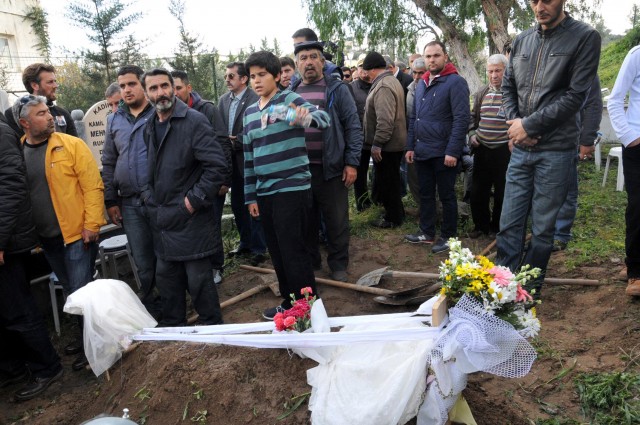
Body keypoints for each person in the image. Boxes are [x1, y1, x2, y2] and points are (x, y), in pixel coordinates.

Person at [497, 0, 601, 296]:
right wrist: (516, 124)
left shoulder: (585, 37)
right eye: (533, 1)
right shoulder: (522, 40)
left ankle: (527, 293)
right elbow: (508, 88)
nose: (539, 6)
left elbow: (576, 96)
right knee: (509, 223)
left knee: (543, 230)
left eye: (547, 0)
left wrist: (530, 126)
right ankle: (501, 292)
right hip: (522, 148)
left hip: (556, 149)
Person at [14, 95, 105, 372]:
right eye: (41, 114)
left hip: (77, 234)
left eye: (48, 111)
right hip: (47, 239)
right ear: (25, 123)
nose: (50, 117)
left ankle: (96, 346)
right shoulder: (17, 153)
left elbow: (93, 185)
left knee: (80, 290)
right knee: (70, 292)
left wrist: (92, 224)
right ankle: (86, 338)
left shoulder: (71, 145)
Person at [242, 51, 330, 320]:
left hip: (292, 189)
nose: (257, 81)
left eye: (262, 75)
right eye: (252, 76)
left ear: (277, 76)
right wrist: (250, 196)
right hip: (265, 192)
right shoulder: (249, 113)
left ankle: (307, 306)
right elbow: (248, 157)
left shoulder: (288, 100)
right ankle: (289, 301)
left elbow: (323, 119)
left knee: (294, 250)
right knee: (277, 251)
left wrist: (302, 117)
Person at [141, 68, 226, 327]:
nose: (161, 93)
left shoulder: (194, 121)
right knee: (166, 278)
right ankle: (174, 329)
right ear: (147, 93)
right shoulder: (149, 125)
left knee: (198, 280)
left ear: (173, 87)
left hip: (191, 219)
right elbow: (151, 168)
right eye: (154, 88)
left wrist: (191, 202)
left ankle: (212, 330)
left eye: (165, 86)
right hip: (162, 219)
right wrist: (148, 197)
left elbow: (217, 167)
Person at [0, 112, 64, 402]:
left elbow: (12, 189)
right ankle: (13, 368)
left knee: (18, 309)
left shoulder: (2, 134)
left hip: (8, 242)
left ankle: (47, 368)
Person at [290, 40, 363, 282]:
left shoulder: (337, 89)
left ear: (322, 62)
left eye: (313, 57)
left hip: (331, 168)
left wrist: (351, 163)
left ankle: (338, 264)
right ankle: (312, 262)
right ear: (297, 64)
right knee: (306, 221)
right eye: (303, 58)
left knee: (336, 220)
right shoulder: (291, 93)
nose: (308, 62)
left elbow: (353, 126)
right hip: (300, 170)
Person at [101, 65, 161, 318]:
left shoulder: (159, 113)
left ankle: (176, 303)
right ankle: (153, 309)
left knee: (167, 255)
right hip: (129, 203)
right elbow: (108, 161)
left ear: (143, 85)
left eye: (131, 84)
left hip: (159, 199)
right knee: (143, 259)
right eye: (122, 85)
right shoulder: (115, 120)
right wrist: (110, 200)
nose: (126, 90)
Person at [405, 41, 470, 253]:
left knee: (447, 196)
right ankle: (427, 232)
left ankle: (449, 237)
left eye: (436, 55)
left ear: (445, 57)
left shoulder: (456, 82)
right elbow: (415, 117)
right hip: (422, 151)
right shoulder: (422, 83)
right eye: (428, 56)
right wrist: (411, 146)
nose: (432, 60)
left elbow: (461, 119)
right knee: (425, 194)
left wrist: (453, 151)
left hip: (444, 153)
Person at [170, 69, 231, 285]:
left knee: (211, 225)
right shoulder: (166, 113)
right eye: (171, 88)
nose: (174, 93)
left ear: (188, 88)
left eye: (178, 88)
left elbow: (222, 142)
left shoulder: (207, 110)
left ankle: (216, 266)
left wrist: (224, 180)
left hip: (210, 180)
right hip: (185, 183)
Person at [217, 61, 266, 266]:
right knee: (238, 204)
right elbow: (219, 129)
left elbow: (259, 128)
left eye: (231, 76)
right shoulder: (223, 101)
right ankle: (245, 242)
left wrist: (236, 139)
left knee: (253, 203)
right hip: (231, 161)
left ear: (244, 78)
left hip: (250, 159)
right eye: (226, 76)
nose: (227, 80)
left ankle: (259, 248)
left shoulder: (255, 98)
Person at [552, 76, 602, 251]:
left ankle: (560, 234)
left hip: (568, 139)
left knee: (566, 190)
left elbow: (593, 104)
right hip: (540, 136)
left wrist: (587, 139)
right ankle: (542, 232)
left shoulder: (584, 69)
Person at [608, 46, 640, 297]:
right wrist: (630, 137)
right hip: (637, 144)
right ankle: (636, 271)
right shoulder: (636, 55)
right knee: (638, 206)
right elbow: (615, 100)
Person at [467, 54, 511, 239]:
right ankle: (480, 226)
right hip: (482, 148)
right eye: (490, 71)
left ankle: (496, 227)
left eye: (498, 71)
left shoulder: (513, 93)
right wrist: (472, 134)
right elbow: (472, 117)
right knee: (478, 190)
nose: (494, 75)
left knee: (502, 191)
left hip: (504, 150)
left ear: (506, 71)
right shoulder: (482, 92)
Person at [362, 51, 407, 228]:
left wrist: (377, 144)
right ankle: (397, 213)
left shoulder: (383, 86)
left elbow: (385, 120)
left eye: (367, 71)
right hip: (392, 143)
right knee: (391, 180)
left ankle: (393, 218)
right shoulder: (391, 80)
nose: (365, 74)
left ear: (373, 69)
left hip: (388, 146)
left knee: (388, 182)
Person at [5, 63, 78, 138]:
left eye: (55, 81)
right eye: (50, 82)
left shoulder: (63, 113)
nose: (55, 85)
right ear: (34, 85)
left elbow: (75, 142)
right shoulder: (15, 114)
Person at [405, 57, 428, 210]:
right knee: (413, 176)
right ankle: (421, 207)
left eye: (421, 73)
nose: (417, 76)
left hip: (429, 141)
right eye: (415, 72)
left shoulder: (432, 88)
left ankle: (431, 210)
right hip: (413, 139)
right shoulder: (410, 89)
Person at [351, 59, 373, 212]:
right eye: (361, 68)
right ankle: (363, 204)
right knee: (360, 173)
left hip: (378, 138)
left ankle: (378, 199)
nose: (364, 71)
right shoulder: (351, 88)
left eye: (367, 68)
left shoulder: (377, 85)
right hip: (359, 139)